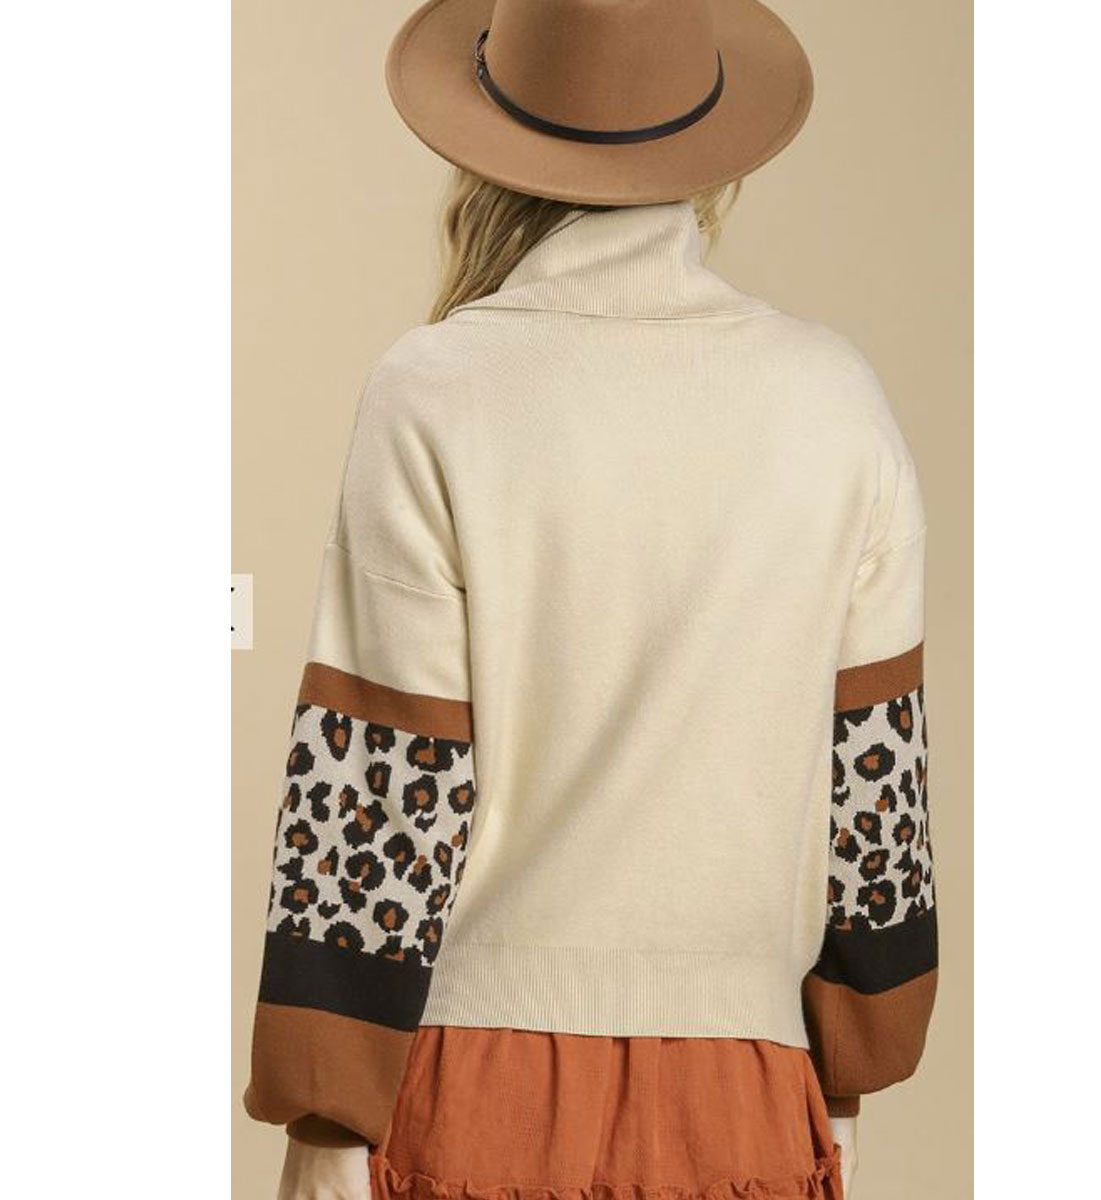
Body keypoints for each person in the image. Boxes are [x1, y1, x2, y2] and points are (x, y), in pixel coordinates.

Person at [242, 2, 939, 1198]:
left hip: (475, 1094)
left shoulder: (436, 389)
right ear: (708, 152)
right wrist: (841, 1083)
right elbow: (877, 798)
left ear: (487, 144)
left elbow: (380, 782)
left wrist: (327, 1114)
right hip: (746, 1099)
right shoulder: (836, 400)